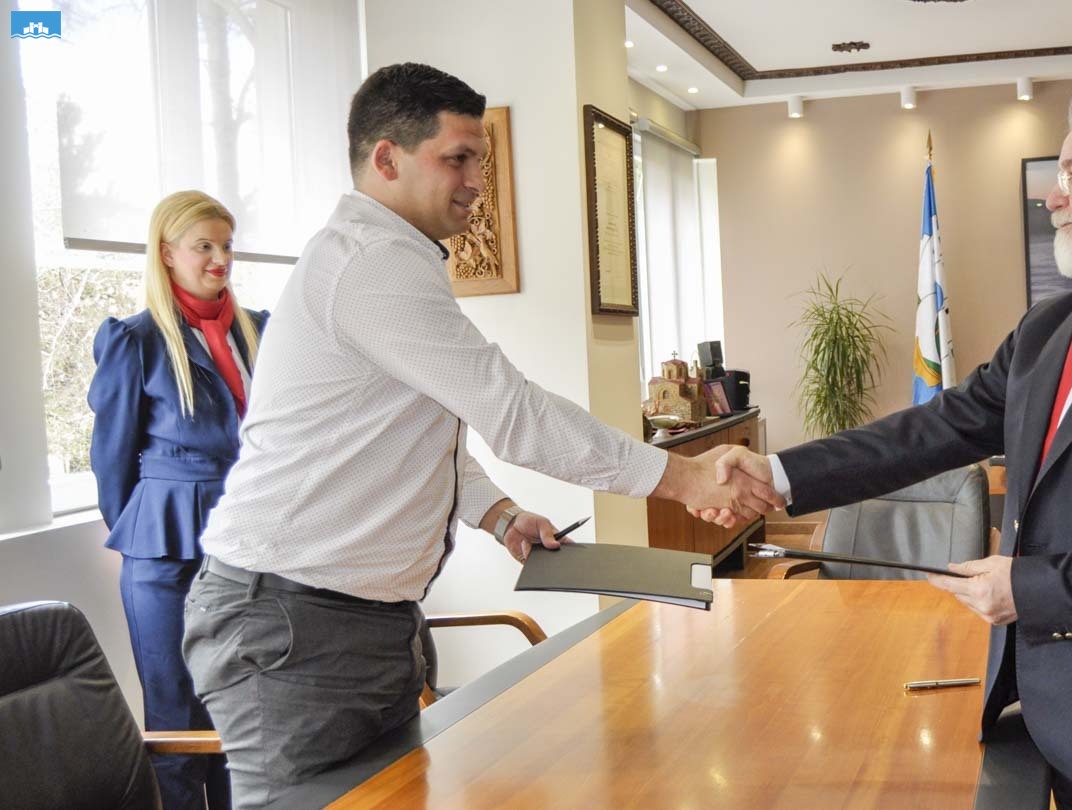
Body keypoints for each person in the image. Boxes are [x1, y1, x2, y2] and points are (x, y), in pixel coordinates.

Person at [180, 62, 779, 809]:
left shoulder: (392, 259)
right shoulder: (371, 264)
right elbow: (516, 414)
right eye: (457, 159)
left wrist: (497, 514)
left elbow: (414, 436)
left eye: (480, 161)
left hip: (355, 620)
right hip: (294, 621)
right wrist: (686, 479)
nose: (476, 183)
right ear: (387, 159)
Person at [701, 84, 1072, 809]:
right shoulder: (1048, 329)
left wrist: (1027, 589)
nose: (1054, 196)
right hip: (1034, 696)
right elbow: (935, 429)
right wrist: (779, 473)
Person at [89, 190, 269, 810]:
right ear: (167, 253)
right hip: (162, 550)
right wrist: (142, 534)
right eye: (204, 247)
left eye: (227, 245)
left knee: (240, 708)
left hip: (246, 542)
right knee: (175, 715)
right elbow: (112, 460)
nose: (221, 259)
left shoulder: (260, 331)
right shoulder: (134, 340)